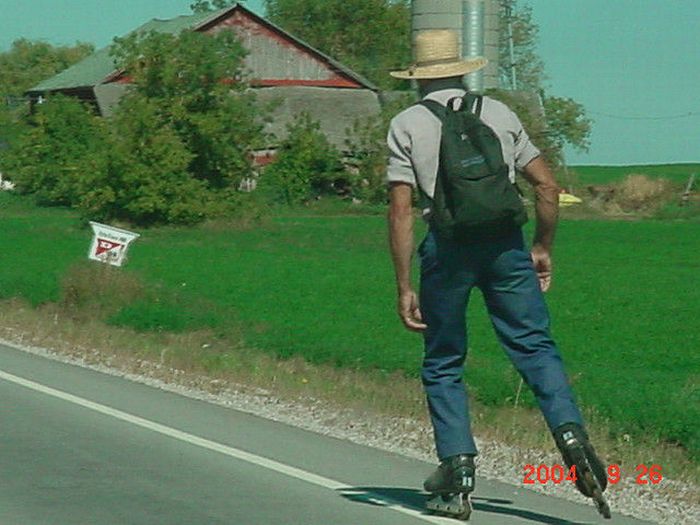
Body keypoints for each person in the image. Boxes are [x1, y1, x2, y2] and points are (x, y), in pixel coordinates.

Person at [386, 29, 609, 517]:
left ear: (418, 79)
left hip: (447, 251)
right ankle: (572, 439)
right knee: (533, 346)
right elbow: (547, 187)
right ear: (464, 70)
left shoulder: (407, 123)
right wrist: (543, 246)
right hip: (507, 249)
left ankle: (458, 471)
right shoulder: (500, 113)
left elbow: (401, 213)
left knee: (444, 359)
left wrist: (405, 285)